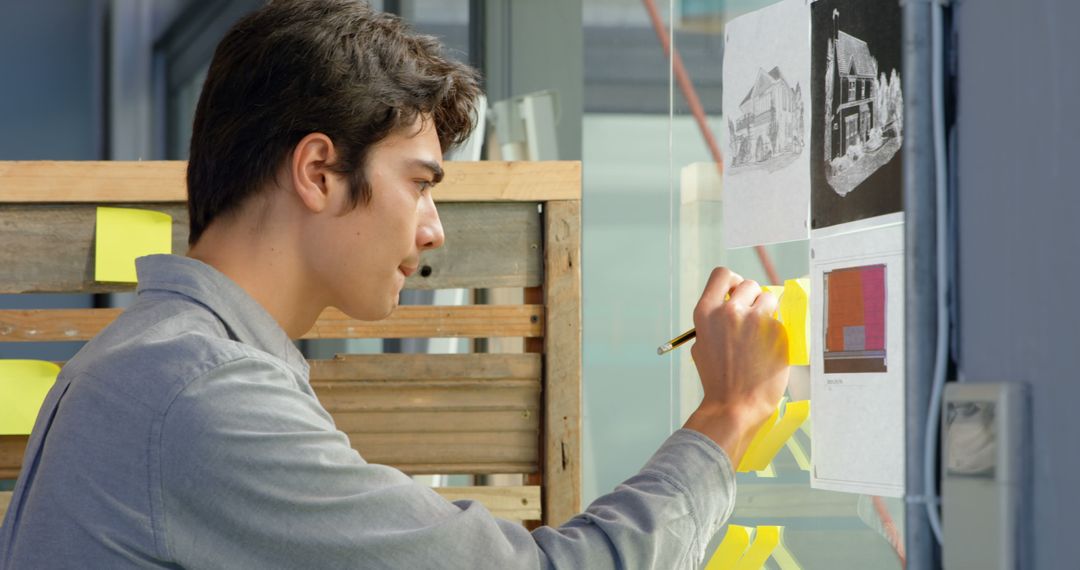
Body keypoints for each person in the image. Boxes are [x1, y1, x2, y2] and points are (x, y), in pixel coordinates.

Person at [0, 1, 789, 568]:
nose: (434, 228)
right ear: (317, 172)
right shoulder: (199, 395)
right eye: (419, 184)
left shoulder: (150, 364)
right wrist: (728, 414)